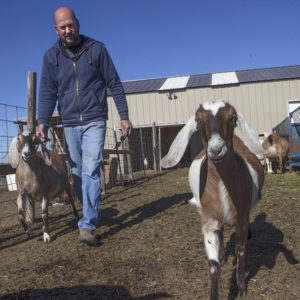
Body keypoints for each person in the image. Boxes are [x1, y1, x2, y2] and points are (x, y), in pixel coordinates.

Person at [36, 7, 132, 245]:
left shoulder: (96, 49)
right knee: (77, 174)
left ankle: (87, 224)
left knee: (90, 169)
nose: (68, 30)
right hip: (69, 122)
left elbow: (115, 83)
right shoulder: (51, 57)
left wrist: (124, 115)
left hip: (95, 118)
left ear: (77, 23)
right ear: (56, 29)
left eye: (71, 25)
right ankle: (93, 213)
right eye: (62, 27)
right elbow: (47, 92)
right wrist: (42, 122)